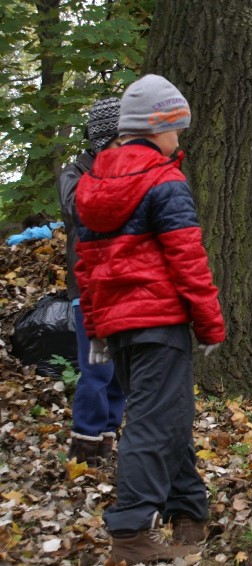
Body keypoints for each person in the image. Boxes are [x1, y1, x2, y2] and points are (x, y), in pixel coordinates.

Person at [75, 74, 226, 565]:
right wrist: (209, 325)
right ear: (157, 127)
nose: (178, 139)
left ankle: (188, 509)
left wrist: (97, 327)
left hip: (118, 325)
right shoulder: (164, 180)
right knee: (150, 423)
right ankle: (131, 531)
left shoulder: (91, 182)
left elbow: (87, 265)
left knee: (168, 416)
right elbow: (188, 258)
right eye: (175, 129)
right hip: (159, 323)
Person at [57, 97, 126, 469]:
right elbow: (78, 211)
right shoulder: (74, 173)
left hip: (124, 287)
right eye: (120, 142)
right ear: (102, 143)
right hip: (88, 290)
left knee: (119, 372)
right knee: (96, 369)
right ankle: (84, 443)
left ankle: (108, 438)